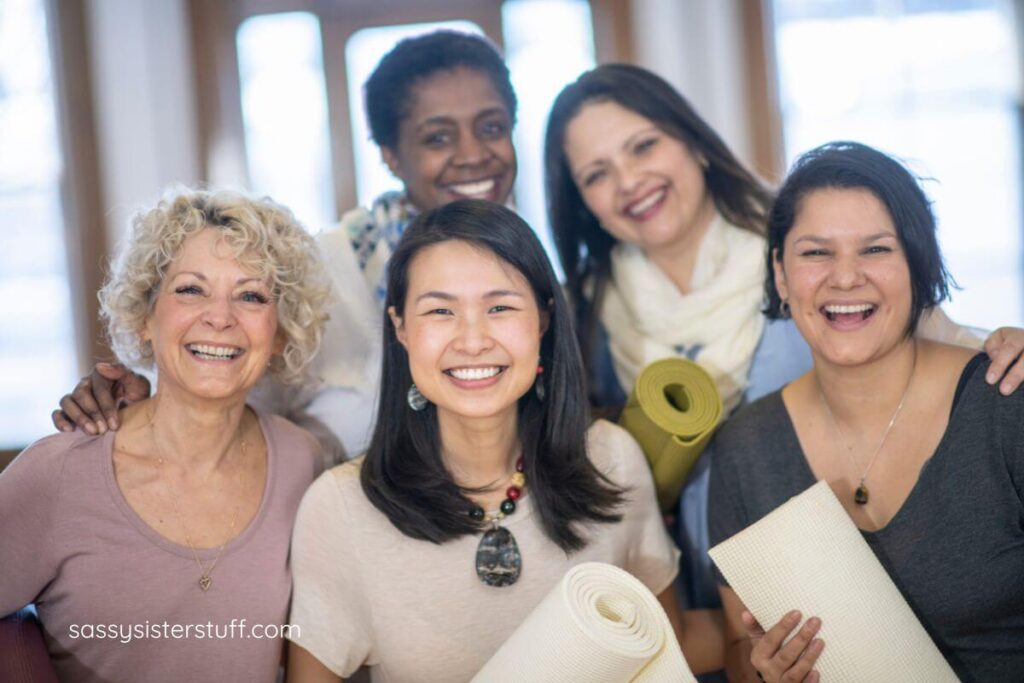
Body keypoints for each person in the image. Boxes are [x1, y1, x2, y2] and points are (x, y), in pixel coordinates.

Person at [542, 62, 1024, 609]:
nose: (629, 182)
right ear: (582, 201)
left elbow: (936, 334)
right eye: (596, 174)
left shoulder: (807, 253)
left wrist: (1008, 342)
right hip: (690, 600)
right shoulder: (585, 314)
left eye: (643, 146)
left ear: (693, 142)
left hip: (840, 592)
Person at [285, 200, 723, 682]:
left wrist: (761, 643)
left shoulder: (611, 459)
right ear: (401, 329)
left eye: (499, 307)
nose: (472, 340)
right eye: (440, 310)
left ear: (544, 319)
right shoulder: (341, 507)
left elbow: (666, 648)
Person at [51, 30, 519, 462]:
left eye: (492, 127)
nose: (474, 153)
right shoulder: (322, 269)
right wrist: (138, 402)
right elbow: (219, 386)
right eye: (437, 137)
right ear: (391, 156)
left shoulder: (530, 272)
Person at [708, 142, 1024, 682]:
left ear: (918, 266)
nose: (846, 278)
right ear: (782, 276)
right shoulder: (745, 447)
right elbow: (740, 647)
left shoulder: (1006, 403)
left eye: (875, 250)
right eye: (815, 253)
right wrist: (764, 672)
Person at [0, 189, 331, 682]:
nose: (220, 317)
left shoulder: (302, 460)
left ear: (279, 333)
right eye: (191, 290)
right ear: (144, 317)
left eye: (251, 295)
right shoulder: (60, 473)